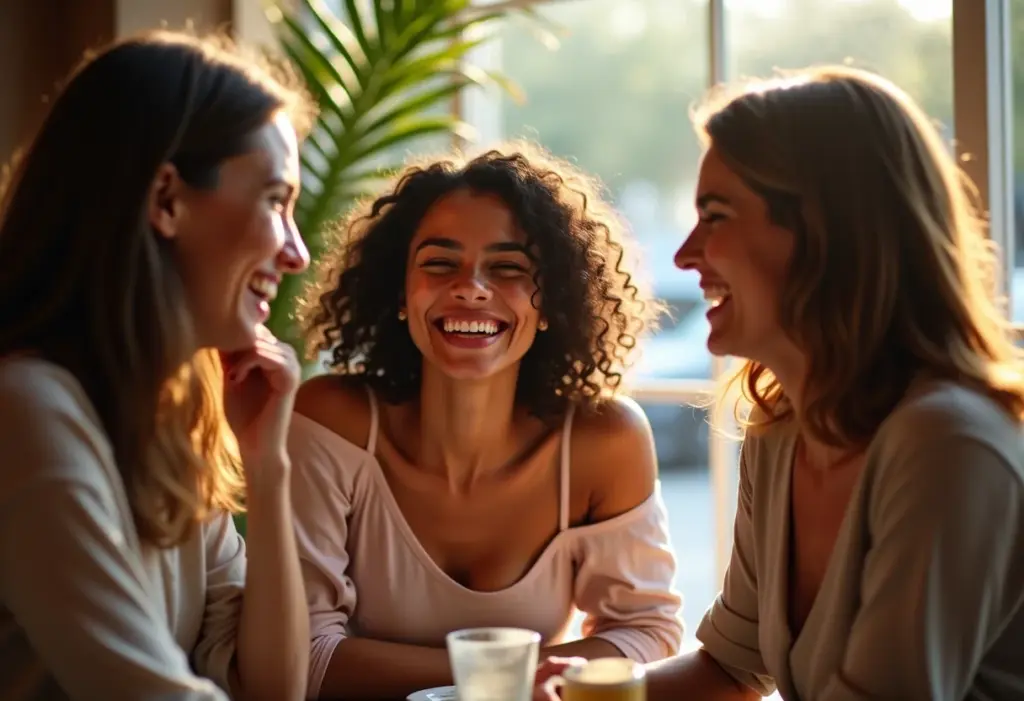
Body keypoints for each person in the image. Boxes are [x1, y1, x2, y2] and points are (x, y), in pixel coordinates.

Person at [543, 65, 1024, 700]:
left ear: (829, 232)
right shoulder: (783, 428)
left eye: (715, 216)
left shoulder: (946, 445)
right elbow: (732, 669)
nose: (685, 255)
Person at [287, 143, 684, 700]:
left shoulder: (603, 442)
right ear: (401, 291)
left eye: (507, 268)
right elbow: (302, 657)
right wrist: (509, 677)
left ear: (551, 303)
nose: (471, 287)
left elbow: (646, 632)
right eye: (440, 263)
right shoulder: (333, 420)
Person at [0, 31, 314, 701]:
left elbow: (272, 686)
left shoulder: (175, 416)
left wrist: (268, 468)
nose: (297, 253)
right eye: (274, 201)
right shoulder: (26, 407)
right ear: (167, 199)